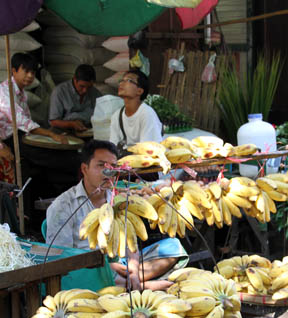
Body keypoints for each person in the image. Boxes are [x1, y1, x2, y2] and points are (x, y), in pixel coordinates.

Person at [46, 140, 188, 290]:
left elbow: (130, 240)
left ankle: (132, 283)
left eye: (113, 167)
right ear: (84, 168)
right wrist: (105, 266)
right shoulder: (63, 205)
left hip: (121, 265)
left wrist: (133, 267)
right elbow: (61, 258)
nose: (109, 172)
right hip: (87, 269)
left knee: (174, 247)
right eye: (101, 165)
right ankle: (139, 286)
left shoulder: (117, 199)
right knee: (96, 274)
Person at [0, 53, 67, 144]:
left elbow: (27, 120)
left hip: (18, 134)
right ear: (14, 71)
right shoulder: (5, 92)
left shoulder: (21, 93)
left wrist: (47, 133)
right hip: (5, 139)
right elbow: (21, 121)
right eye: (26, 71)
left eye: (33, 72)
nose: (30, 76)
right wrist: (50, 134)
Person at [109, 69, 162, 150]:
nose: (122, 83)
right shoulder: (116, 116)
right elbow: (113, 147)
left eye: (129, 80)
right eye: (122, 80)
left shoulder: (146, 113)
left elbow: (147, 150)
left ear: (139, 91)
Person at [48, 64, 101, 133]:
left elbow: (103, 114)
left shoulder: (95, 93)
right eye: (82, 86)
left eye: (89, 87)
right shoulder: (59, 92)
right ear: (75, 80)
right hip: (63, 131)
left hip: (87, 130)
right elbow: (53, 121)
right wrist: (72, 124)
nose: (85, 90)